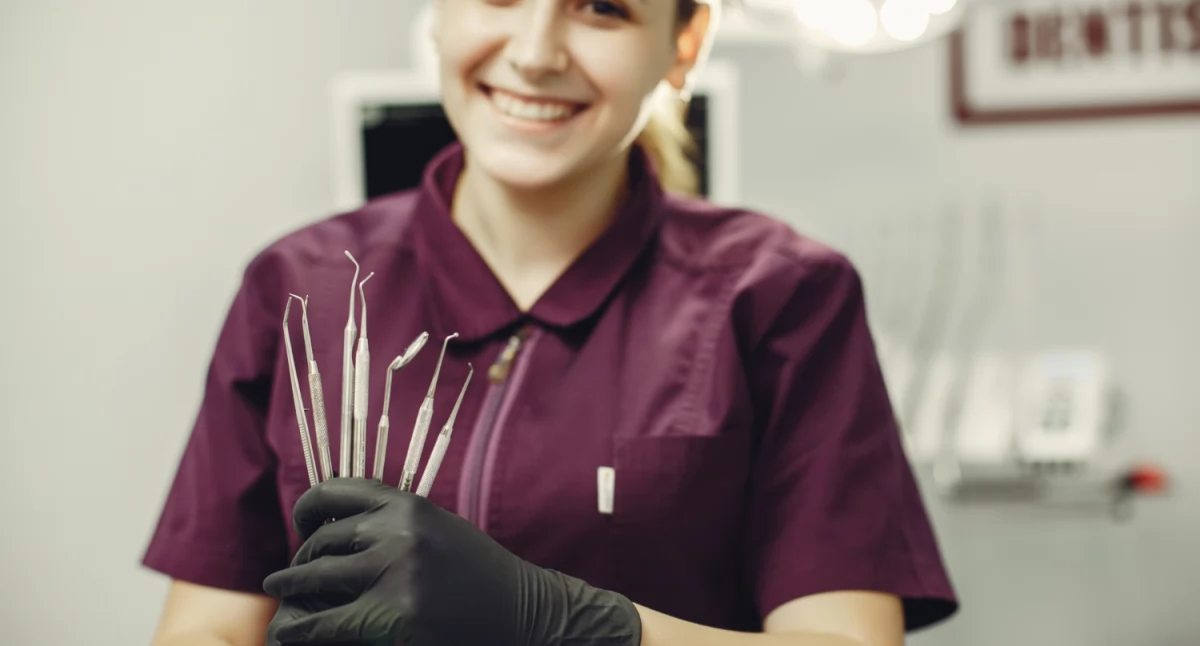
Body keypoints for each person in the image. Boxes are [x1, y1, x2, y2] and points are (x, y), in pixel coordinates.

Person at [143, 1, 959, 644]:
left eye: (600, 7)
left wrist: (580, 625)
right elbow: (206, 626)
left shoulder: (782, 298)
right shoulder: (298, 287)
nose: (535, 51)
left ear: (685, 43)